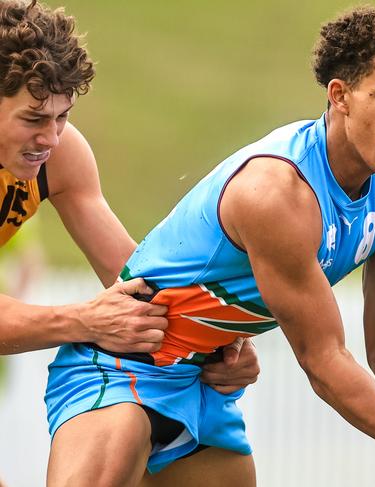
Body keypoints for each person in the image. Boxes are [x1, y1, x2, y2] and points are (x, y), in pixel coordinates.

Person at [45, 5, 375, 487]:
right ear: (340, 95)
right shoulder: (278, 192)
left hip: (205, 383)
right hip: (118, 366)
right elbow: (322, 358)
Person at [0, 0, 260, 479]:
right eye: (34, 118)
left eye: (63, 116)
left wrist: (219, 346)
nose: (52, 137)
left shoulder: (62, 155)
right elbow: (98, 318)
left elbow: (142, 282)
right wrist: (83, 319)